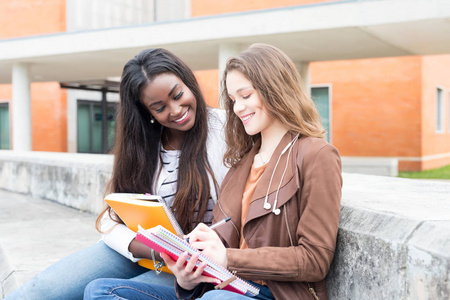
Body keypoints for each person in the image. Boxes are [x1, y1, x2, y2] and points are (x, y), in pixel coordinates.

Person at [83, 43, 343, 300]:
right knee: (100, 291)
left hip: (272, 291)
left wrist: (229, 258)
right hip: (223, 285)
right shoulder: (241, 161)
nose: (238, 108)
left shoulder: (316, 154)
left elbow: (315, 259)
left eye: (246, 95)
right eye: (233, 99)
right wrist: (187, 280)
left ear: (275, 89)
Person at [5, 48, 229, 300]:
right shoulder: (142, 144)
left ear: (188, 83)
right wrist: (154, 250)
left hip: (195, 263)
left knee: (104, 294)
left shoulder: (227, 129)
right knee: (42, 289)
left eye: (178, 95)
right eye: (159, 107)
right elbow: (112, 218)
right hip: (146, 250)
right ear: (148, 113)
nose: (176, 110)